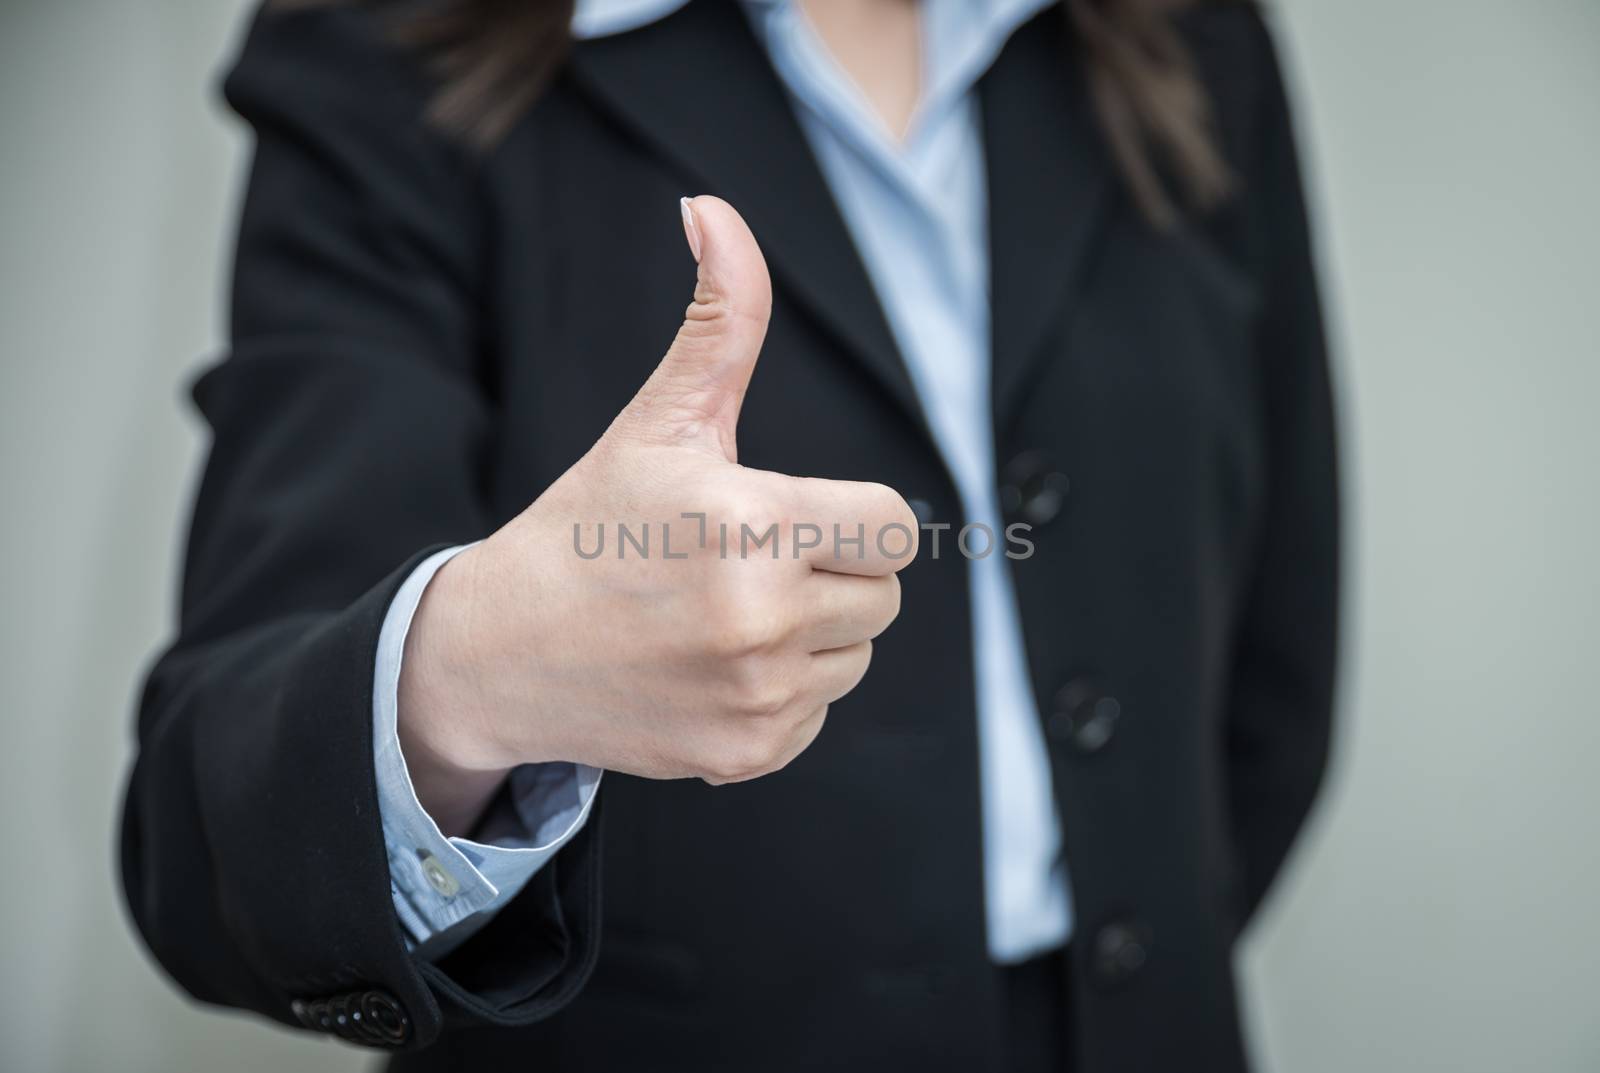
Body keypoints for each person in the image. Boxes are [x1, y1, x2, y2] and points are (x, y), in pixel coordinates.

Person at [119, 0, 1340, 1069]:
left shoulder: (1193, 38)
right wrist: (480, 672)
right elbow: (206, 833)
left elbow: (1271, 658)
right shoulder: (385, 46)